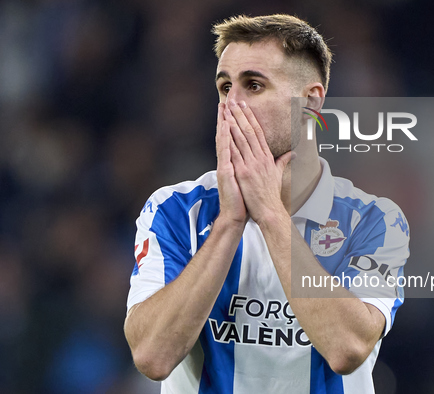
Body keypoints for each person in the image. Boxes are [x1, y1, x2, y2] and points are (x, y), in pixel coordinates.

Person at [124, 14, 410, 393]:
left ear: (310, 102)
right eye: (225, 88)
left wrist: (271, 214)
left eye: (254, 85)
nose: (232, 105)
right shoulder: (175, 210)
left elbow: (348, 347)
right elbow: (152, 357)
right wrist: (230, 221)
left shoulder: (375, 221)